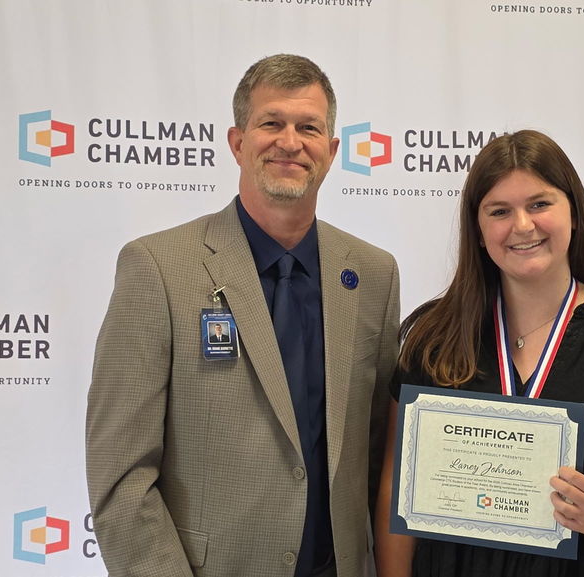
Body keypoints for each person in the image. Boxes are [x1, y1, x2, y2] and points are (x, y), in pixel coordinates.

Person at [86, 54, 400, 577]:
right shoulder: (157, 268)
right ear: (237, 142)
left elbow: (375, 455)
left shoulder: (373, 275)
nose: (290, 142)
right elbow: (121, 475)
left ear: (332, 150)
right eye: (271, 123)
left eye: (309, 128)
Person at [374, 130, 584, 576]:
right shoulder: (434, 338)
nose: (522, 226)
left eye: (539, 204)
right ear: (480, 231)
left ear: (574, 213)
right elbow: (397, 487)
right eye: (500, 211)